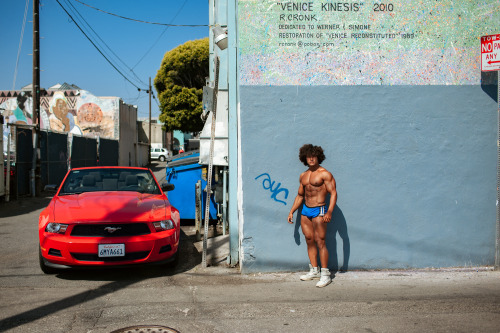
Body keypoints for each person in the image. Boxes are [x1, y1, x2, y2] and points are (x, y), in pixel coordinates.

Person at [288, 144, 337, 288]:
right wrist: (292, 211)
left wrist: (329, 211)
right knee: (309, 239)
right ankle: (314, 270)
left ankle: (325, 274)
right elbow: (300, 195)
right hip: (305, 210)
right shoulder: (303, 175)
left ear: (318, 157)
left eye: (313, 156)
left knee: (320, 240)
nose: (311, 159)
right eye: (308, 156)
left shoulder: (325, 174)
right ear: (304, 158)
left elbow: (333, 193)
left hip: (319, 209)